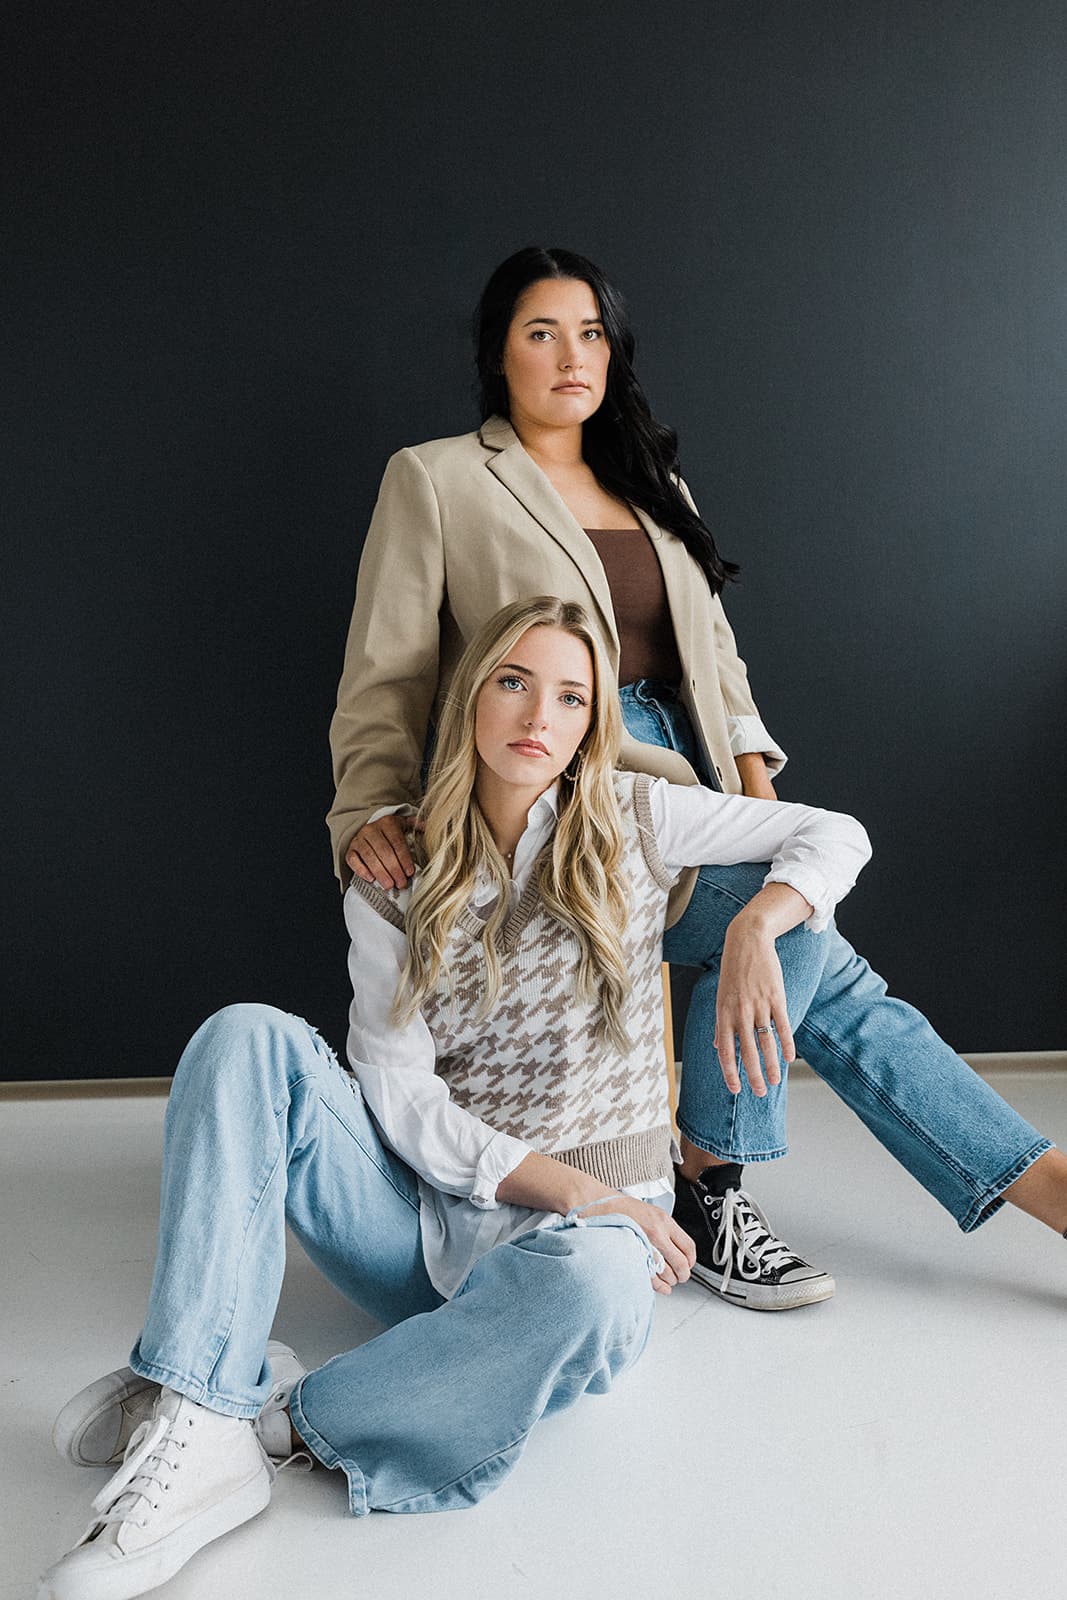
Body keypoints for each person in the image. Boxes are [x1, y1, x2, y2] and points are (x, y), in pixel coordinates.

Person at [40, 597, 1067, 1600]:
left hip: (579, 1254)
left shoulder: (635, 812)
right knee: (244, 1037)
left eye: (571, 698)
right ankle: (200, 1401)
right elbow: (396, 1099)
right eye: (514, 683)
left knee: (600, 1283)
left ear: (591, 725)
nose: (539, 716)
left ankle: (247, 1418)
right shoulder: (397, 865)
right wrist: (578, 1191)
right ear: (469, 702)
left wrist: (756, 923)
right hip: (422, 1228)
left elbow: (830, 833)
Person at [328, 245, 827, 1308]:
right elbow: (388, 674)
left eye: (590, 332)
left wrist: (758, 801)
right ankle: (720, 1184)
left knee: (795, 923)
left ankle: (709, 1180)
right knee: (817, 939)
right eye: (540, 332)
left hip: (683, 791)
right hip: (558, 781)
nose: (570, 355)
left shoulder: (656, 483)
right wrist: (367, 811)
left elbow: (720, 662)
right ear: (496, 354)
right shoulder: (441, 476)